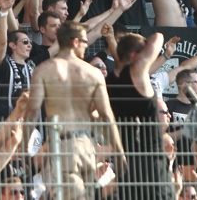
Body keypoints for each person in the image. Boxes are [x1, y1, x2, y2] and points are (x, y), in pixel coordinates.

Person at [26, 20, 126, 200]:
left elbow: (32, 110)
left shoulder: (44, 70)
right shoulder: (93, 73)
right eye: (85, 42)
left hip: (62, 145)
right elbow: (106, 115)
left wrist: (23, 149)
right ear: (74, 42)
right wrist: (119, 151)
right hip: (88, 148)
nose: (87, 46)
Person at [105, 32, 176, 199]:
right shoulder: (135, 73)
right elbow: (158, 36)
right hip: (152, 167)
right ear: (135, 55)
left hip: (126, 166)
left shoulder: (109, 80)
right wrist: (145, 47)